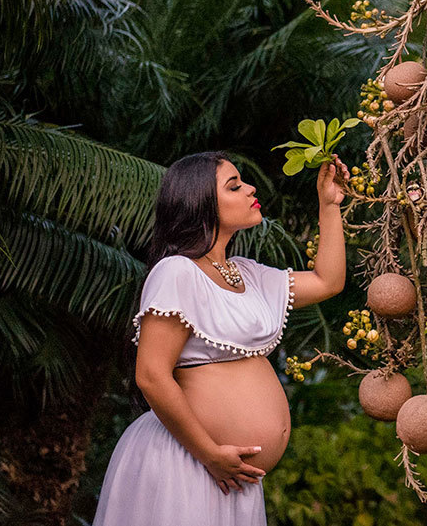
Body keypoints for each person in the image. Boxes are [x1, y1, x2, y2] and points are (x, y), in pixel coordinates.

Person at [92, 150, 350, 526]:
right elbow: (151, 375)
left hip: (230, 474)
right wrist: (209, 453)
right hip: (189, 463)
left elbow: (328, 281)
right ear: (200, 204)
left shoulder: (246, 273)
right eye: (234, 186)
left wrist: (329, 205)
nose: (250, 189)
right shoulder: (176, 272)